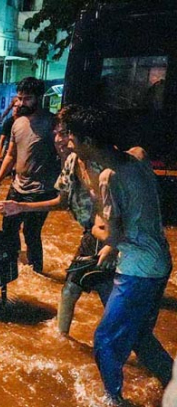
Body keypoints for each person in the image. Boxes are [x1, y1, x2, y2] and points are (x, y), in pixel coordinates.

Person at [66, 111, 173, 404]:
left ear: (88, 140)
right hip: (160, 262)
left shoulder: (107, 177)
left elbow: (112, 235)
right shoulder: (137, 157)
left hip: (137, 270)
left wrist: (93, 227)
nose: (69, 143)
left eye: (72, 138)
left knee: (105, 341)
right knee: (139, 336)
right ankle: (172, 381)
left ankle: (113, 400)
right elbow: (140, 153)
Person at [0, 105, 114, 335]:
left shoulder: (104, 164)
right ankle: (64, 339)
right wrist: (20, 206)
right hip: (92, 233)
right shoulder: (71, 163)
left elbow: (120, 212)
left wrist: (113, 245)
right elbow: (62, 201)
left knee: (85, 289)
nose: (59, 140)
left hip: (107, 235)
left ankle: (83, 339)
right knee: (80, 289)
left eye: (64, 134)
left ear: (79, 137)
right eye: (56, 134)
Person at [0, 77, 60, 274]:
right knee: (8, 229)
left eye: (27, 99)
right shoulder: (17, 123)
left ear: (39, 97)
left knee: (31, 233)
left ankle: (38, 273)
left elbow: (63, 155)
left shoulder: (52, 123)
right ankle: (12, 270)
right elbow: (11, 155)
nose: (22, 103)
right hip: (16, 186)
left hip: (41, 190)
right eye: (20, 98)